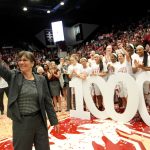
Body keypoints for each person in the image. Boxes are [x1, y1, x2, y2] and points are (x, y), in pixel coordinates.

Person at [0, 51, 59, 150]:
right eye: (19, 60)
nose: (21, 62)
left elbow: (47, 102)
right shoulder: (14, 76)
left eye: (25, 60)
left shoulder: (41, 79)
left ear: (32, 63)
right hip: (21, 122)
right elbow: (1, 69)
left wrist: (54, 121)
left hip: (39, 120)